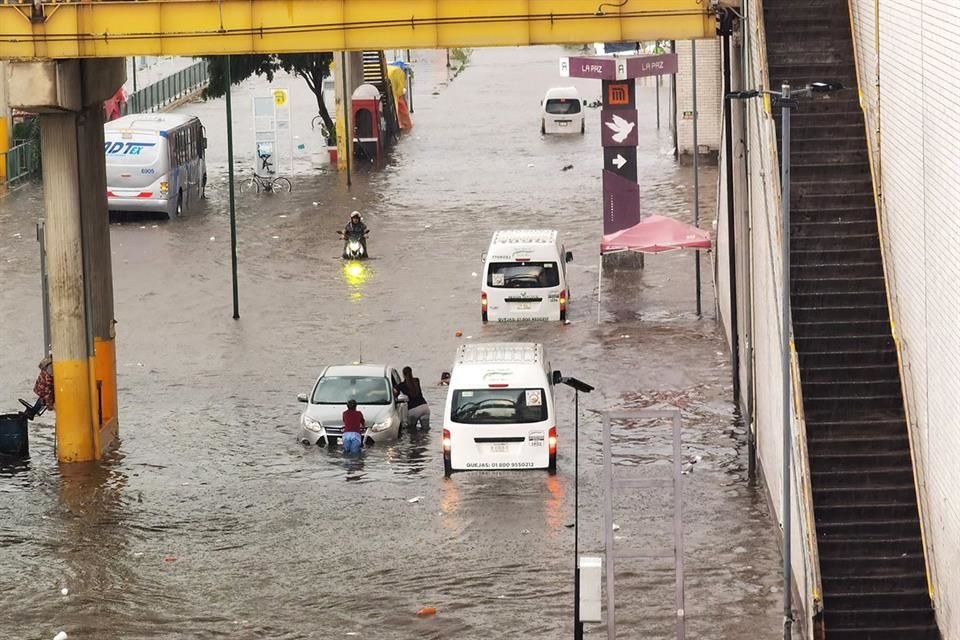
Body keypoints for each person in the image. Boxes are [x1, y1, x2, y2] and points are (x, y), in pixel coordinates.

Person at [400, 366, 430, 431]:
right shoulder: (417, 380)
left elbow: (395, 392)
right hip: (424, 407)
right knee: (426, 431)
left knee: (412, 431)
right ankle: (425, 440)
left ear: (403, 374)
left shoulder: (401, 385)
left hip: (413, 410)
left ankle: (415, 440)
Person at [24, 354, 54, 419]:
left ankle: (31, 412)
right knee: (43, 399)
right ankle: (31, 413)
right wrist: (50, 405)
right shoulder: (51, 368)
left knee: (42, 399)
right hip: (44, 388)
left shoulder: (48, 363)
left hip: (41, 387)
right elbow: (48, 389)